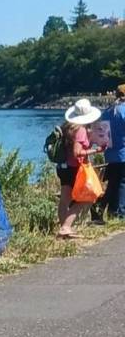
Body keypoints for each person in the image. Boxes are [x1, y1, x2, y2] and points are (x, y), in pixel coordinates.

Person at [56, 98, 103, 239]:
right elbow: (77, 152)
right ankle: (66, 227)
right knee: (87, 198)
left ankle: (64, 228)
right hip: (74, 168)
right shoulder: (81, 129)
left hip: (62, 167)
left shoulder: (67, 127)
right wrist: (96, 151)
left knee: (65, 199)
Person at [94, 84, 125, 221]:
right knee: (122, 182)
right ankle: (121, 213)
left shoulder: (107, 112)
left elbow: (102, 135)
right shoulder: (123, 111)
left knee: (113, 182)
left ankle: (108, 209)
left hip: (110, 154)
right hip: (123, 153)